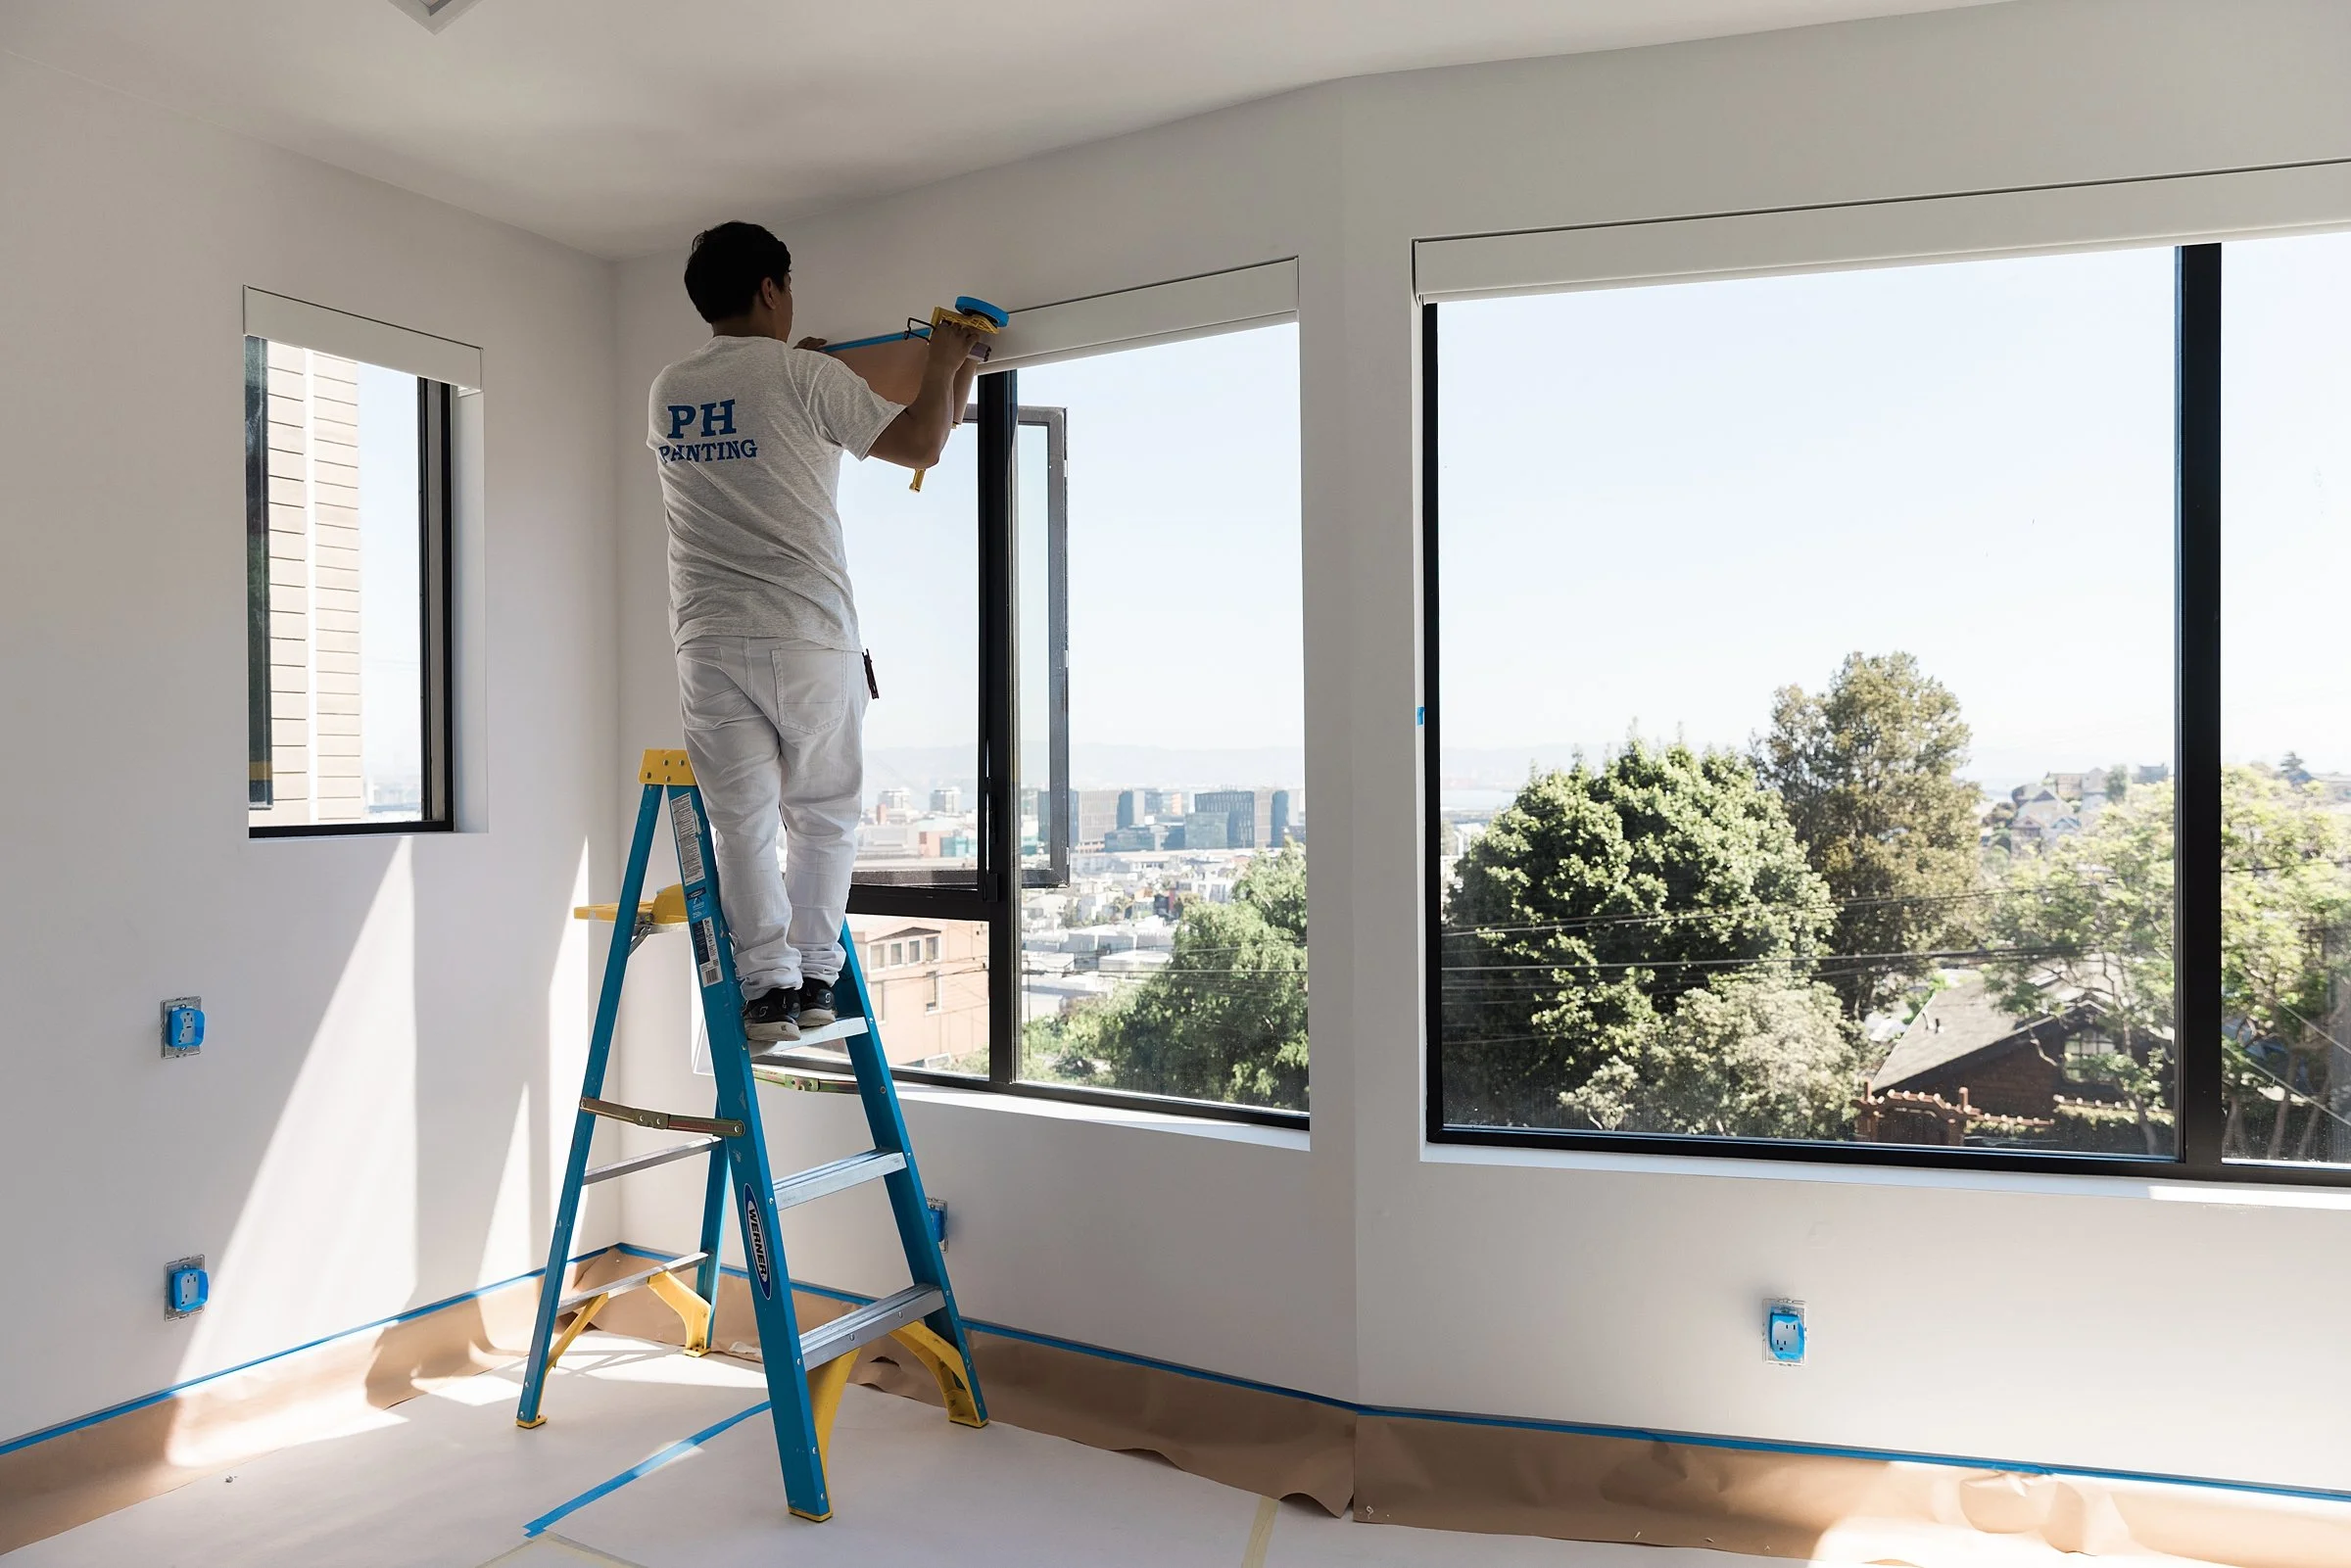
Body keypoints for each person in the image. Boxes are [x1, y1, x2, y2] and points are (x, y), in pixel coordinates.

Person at [648, 221, 984, 1042]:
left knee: (743, 824)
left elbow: (757, 434)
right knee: (825, 815)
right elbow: (923, 444)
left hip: (708, 643)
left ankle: (765, 992)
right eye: (786, 284)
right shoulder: (805, 378)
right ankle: (816, 981)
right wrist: (947, 358)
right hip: (807, 634)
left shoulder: (667, 390)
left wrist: (802, 368)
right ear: (770, 288)